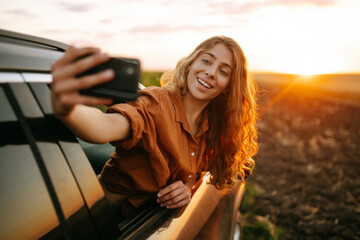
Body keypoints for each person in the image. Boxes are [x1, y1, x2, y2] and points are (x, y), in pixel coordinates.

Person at [51, 35, 258, 218]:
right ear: (190, 64)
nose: (211, 72)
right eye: (206, 61)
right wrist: (67, 109)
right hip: (100, 214)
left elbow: (193, 170)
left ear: (227, 87)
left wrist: (186, 188)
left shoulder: (211, 127)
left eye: (223, 71)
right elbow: (105, 126)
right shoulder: (155, 103)